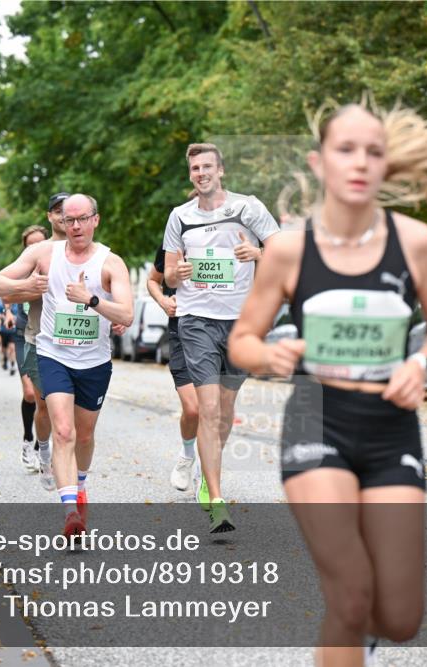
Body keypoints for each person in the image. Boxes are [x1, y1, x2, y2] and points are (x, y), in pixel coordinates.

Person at [227, 101, 427, 664]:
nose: (360, 162)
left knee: (401, 618)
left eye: (373, 152)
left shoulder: (416, 243)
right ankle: (352, 626)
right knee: (352, 592)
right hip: (317, 418)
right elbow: (243, 341)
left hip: (390, 430)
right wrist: (272, 354)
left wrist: (420, 365)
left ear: (385, 166)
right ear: (318, 163)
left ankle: (362, 635)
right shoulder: (288, 248)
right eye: (346, 150)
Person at [0, 193, 133, 538]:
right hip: (53, 354)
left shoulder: (111, 263)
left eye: (83, 218)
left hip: (95, 361)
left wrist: (93, 300)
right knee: (63, 431)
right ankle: (70, 513)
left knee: (84, 435)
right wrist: (26, 285)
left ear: (95, 220)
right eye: (70, 220)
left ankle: (79, 485)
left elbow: (126, 313)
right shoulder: (43, 253)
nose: (76, 226)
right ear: (61, 223)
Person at [162, 143, 279, 532]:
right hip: (196, 320)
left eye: (207, 166)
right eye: (195, 168)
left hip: (241, 322)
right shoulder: (179, 216)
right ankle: (215, 499)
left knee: (225, 413)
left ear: (221, 170)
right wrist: (177, 274)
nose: (201, 173)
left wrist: (257, 253)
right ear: (190, 174)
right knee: (208, 410)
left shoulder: (248, 208)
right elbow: (167, 275)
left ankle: (204, 474)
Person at [146, 241, 199, 491]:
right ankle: (187, 456)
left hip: (222, 331)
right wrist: (163, 302)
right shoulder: (172, 245)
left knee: (217, 411)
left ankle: (208, 469)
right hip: (182, 331)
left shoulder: (228, 240)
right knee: (193, 408)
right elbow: (152, 281)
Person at [13, 224, 50, 475]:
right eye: (30, 245)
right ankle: (28, 439)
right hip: (23, 334)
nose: (36, 248)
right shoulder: (22, 268)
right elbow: (5, 293)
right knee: (29, 394)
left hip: (47, 335)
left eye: (40, 243)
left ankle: (40, 446)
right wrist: (6, 312)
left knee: (44, 399)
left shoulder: (56, 263)